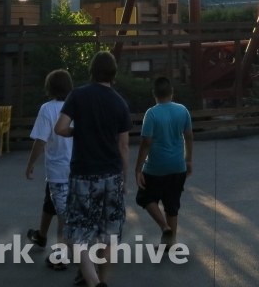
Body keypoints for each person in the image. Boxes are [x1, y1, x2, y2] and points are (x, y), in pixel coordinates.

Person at [54, 52, 131, 287]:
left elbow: (60, 128)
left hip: (83, 174)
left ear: (92, 71)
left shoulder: (77, 95)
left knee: (76, 234)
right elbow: (123, 145)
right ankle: (102, 281)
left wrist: (79, 131)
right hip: (111, 174)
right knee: (109, 235)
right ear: (113, 73)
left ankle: (94, 282)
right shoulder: (120, 102)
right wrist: (124, 178)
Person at [135, 77, 192, 246]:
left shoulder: (151, 114)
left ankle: (164, 227)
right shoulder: (183, 110)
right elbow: (189, 137)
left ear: (154, 94)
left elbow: (146, 143)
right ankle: (171, 243)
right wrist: (188, 160)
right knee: (172, 204)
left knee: (144, 196)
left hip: (155, 167)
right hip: (177, 166)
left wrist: (138, 169)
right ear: (172, 92)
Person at [25, 70, 73, 270]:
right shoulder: (76, 106)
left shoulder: (48, 109)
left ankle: (61, 255)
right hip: (77, 167)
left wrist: (30, 163)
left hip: (57, 168)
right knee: (56, 203)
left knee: (64, 213)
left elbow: (41, 140)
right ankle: (42, 236)